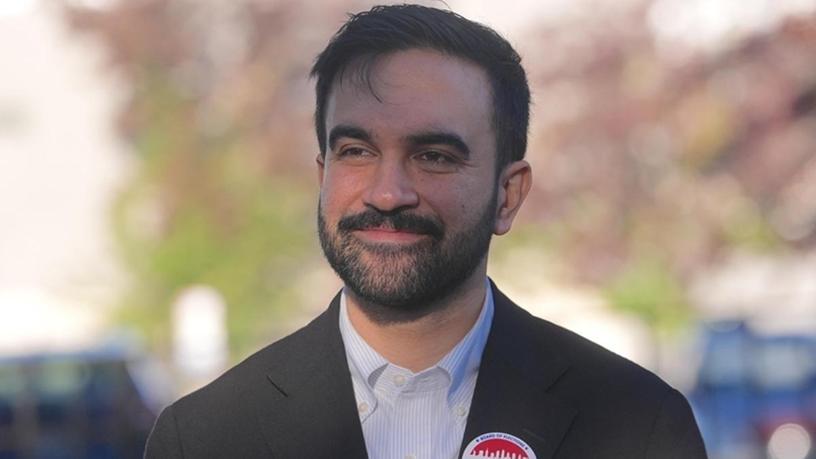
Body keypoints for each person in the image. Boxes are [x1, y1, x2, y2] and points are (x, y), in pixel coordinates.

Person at [144, 4, 707, 459]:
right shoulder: (202, 440)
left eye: (434, 156)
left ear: (508, 195)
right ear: (323, 175)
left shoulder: (640, 428)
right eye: (356, 151)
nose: (388, 193)